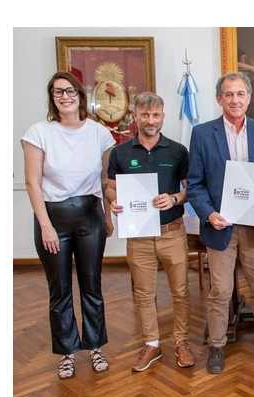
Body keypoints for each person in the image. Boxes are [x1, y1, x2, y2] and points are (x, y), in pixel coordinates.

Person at [21, 72, 115, 379]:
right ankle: (67, 352)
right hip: (53, 218)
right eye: (58, 92)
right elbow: (32, 182)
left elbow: (105, 180)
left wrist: (108, 216)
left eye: (70, 90)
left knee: (92, 285)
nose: (65, 96)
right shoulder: (38, 132)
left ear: (81, 94)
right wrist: (45, 226)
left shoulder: (99, 133)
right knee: (59, 289)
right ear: (52, 97)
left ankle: (96, 345)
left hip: (90, 216)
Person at [187, 72, 254, 374]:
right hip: (220, 224)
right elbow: (195, 184)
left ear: (249, 98)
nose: (235, 100)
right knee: (220, 291)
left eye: (240, 94)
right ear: (219, 99)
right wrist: (208, 214)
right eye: (229, 94)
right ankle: (216, 344)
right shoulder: (202, 134)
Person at [104, 92, 194, 372]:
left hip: (172, 232)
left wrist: (175, 199)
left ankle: (181, 342)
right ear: (136, 116)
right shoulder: (120, 152)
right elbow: (110, 186)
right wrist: (113, 200)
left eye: (155, 115)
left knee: (180, 291)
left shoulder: (178, 151)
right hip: (139, 235)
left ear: (163, 117)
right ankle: (152, 344)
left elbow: (190, 189)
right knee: (144, 293)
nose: (150, 120)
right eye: (145, 115)